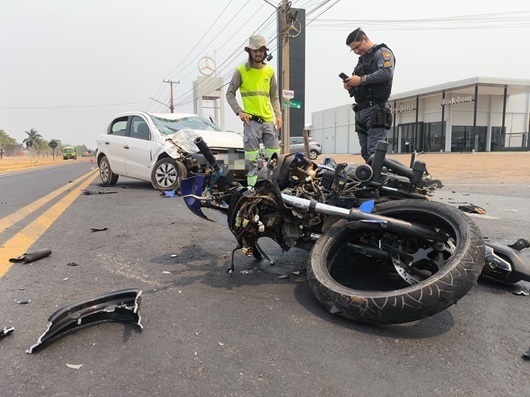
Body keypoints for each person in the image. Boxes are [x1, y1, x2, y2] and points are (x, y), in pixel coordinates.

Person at [226, 34, 282, 187]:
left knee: (274, 160)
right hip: (251, 124)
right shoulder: (241, 71)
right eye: (256, 50)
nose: (259, 54)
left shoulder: (269, 72)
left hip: (269, 122)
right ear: (250, 51)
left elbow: (274, 97)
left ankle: (273, 190)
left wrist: (278, 115)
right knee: (252, 163)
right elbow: (229, 94)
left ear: (265, 52)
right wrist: (239, 111)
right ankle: (252, 191)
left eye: (262, 50)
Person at [343, 28, 395, 162]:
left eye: (357, 47)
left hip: (376, 109)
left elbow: (386, 73)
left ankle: (381, 181)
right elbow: (361, 83)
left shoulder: (382, 53)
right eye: (353, 50)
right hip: (361, 110)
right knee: (367, 154)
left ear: (365, 39)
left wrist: (360, 80)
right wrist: (350, 85)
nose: (356, 51)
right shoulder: (362, 60)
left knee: (375, 154)